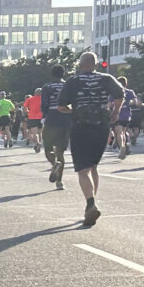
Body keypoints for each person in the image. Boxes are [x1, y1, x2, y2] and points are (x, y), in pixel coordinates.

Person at [56, 51, 124, 227]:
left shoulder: (73, 81)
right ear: (95, 64)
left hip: (81, 126)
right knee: (93, 165)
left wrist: (75, 109)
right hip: (101, 124)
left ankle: (90, 203)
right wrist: (115, 112)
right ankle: (92, 201)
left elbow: (61, 106)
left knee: (82, 169)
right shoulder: (106, 78)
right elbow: (120, 94)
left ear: (80, 65)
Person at [38, 66, 71, 190]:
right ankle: (59, 182)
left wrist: (45, 115)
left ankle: (54, 163)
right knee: (61, 151)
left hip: (52, 118)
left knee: (48, 149)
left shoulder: (47, 87)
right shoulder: (68, 85)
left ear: (52, 74)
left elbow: (44, 104)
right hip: (66, 119)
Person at [113, 78, 139, 159]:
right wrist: (128, 102)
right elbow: (135, 102)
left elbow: (110, 103)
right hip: (126, 115)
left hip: (117, 114)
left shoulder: (114, 92)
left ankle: (122, 147)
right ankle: (123, 145)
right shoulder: (130, 92)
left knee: (119, 133)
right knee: (123, 132)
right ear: (126, 83)